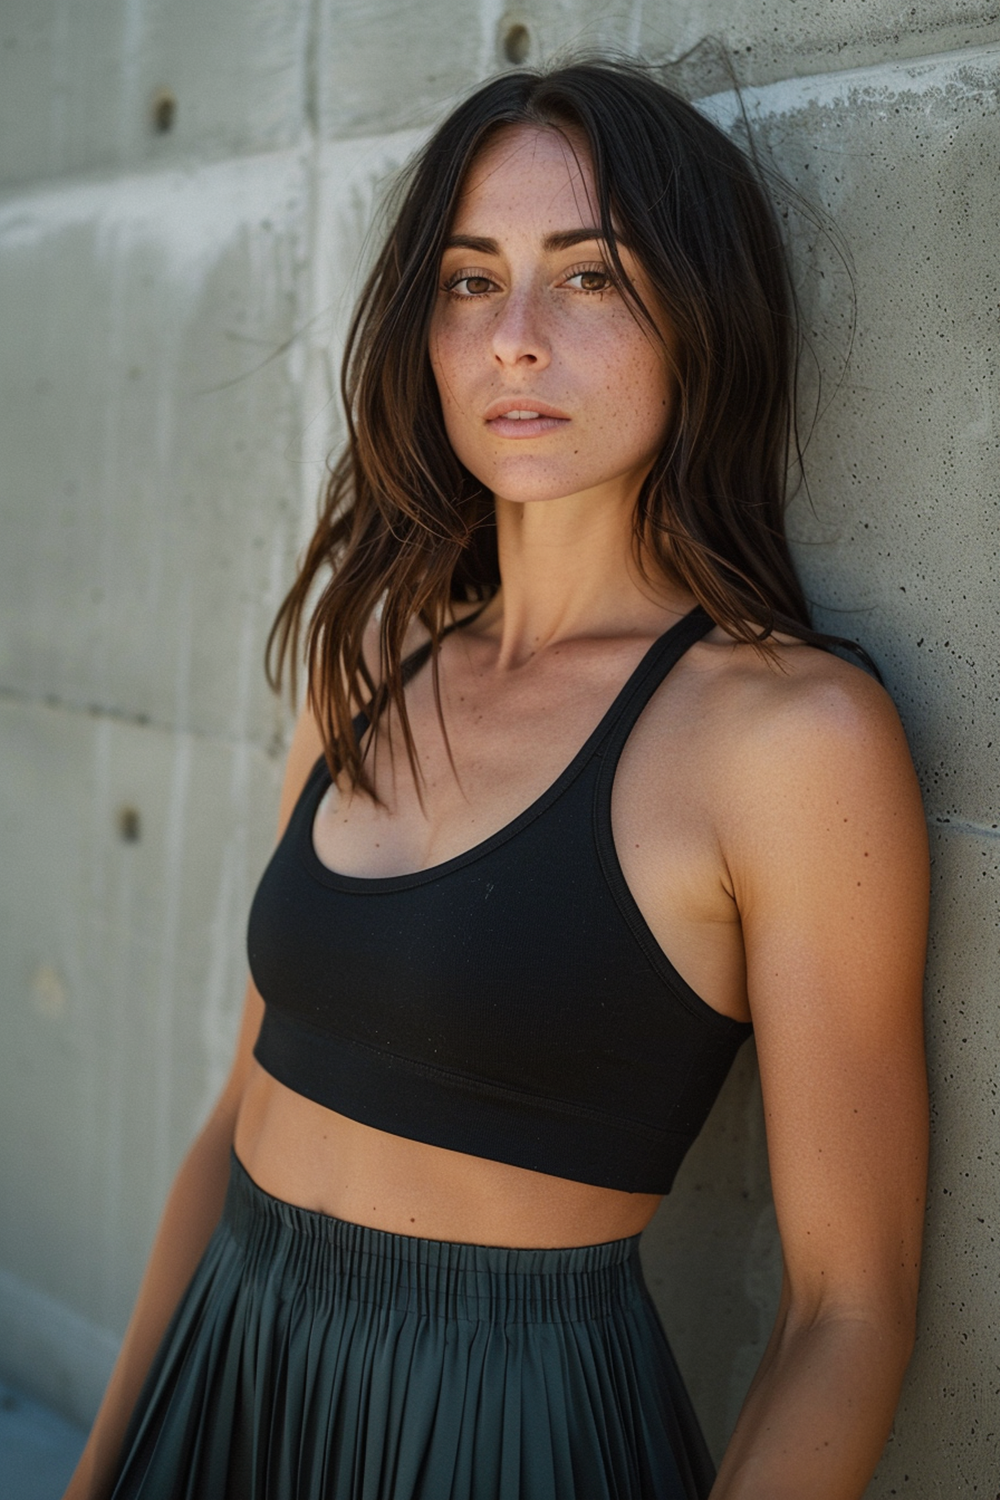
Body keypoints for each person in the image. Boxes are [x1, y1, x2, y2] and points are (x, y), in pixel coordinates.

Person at [65, 59, 929, 1500]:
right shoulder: (370, 652)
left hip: (502, 1433)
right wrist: (104, 1470)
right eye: (471, 283)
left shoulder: (786, 739)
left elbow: (852, 1308)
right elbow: (231, 1122)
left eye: (588, 278)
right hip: (227, 1374)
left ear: (703, 316)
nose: (514, 340)